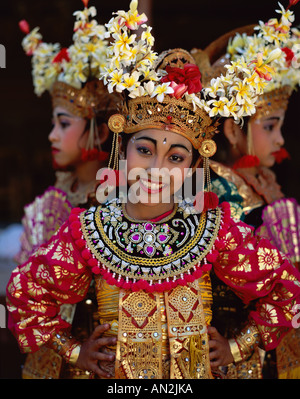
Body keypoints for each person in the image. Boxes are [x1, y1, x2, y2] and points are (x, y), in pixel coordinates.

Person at [6, 0, 300, 380]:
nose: (157, 168)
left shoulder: (214, 229)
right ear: (123, 150)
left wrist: (236, 347)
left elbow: (286, 288)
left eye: (175, 157)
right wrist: (74, 351)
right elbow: (25, 294)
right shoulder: (88, 231)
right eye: (145, 150)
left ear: (193, 168)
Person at [191, 0, 300, 378]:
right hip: (224, 355)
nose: (280, 137)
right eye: (268, 126)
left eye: (279, 125)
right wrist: (236, 343)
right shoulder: (218, 188)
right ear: (234, 131)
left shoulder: (264, 188)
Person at [15, 1, 121, 379]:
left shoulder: (131, 201)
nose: (52, 135)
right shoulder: (45, 208)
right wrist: (73, 351)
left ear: (101, 130)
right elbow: (23, 301)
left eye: (63, 124)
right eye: (54, 124)